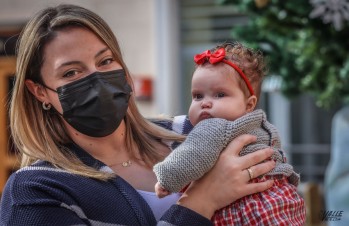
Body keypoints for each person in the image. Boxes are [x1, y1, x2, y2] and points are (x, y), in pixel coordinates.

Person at [0, 4, 276, 226]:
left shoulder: (191, 131)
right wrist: (201, 201)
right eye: (72, 73)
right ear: (39, 92)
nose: (97, 80)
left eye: (105, 61)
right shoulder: (35, 191)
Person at [154, 42, 306, 225]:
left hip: (246, 207)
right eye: (198, 96)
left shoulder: (213, 127)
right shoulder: (264, 126)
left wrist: (167, 179)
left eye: (219, 95)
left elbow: (191, 155)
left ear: (249, 104)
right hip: (281, 200)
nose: (205, 103)